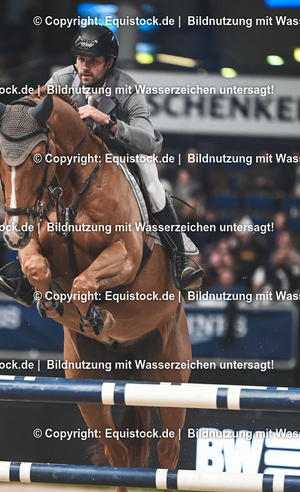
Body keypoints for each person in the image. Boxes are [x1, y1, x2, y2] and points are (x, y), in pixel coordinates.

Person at [47, 25, 203, 293]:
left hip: (123, 151)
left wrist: (110, 122)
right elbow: (34, 109)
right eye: (81, 59)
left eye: (93, 61)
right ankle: (24, 271)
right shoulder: (60, 81)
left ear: (109, 63)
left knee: (153, 186)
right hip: (78, 157)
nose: (85, 67)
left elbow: (149, 141)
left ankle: (179, 261)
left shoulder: (126, 87)